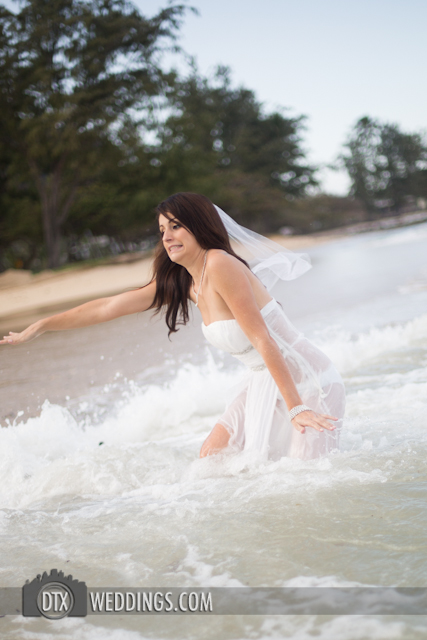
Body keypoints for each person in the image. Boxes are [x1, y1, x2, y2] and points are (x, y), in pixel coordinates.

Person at [1, 192, 345, 460]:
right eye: (162, 229)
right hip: (263, 379)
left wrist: (297, 406)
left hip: (308, 381)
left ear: (199, 226)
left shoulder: (221, 264)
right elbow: (108, 307)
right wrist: (42, 326)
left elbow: (262, 338)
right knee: (212, 458)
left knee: (303, 481)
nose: (167, 236)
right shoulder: (184, 281)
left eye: (176, 226)